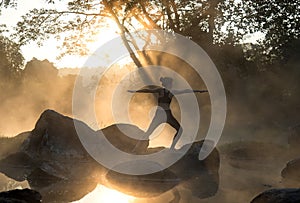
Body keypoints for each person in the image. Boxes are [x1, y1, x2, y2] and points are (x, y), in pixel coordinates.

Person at [128, 77, 208, 149]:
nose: (171, 85)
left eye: (171, 84)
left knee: (179, 130)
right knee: (149, 132)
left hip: (166, 114)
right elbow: (148, 90)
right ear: (168, 84)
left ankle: (172, 147)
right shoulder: (161, 90)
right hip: (161, 114)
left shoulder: (169, 92)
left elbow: (186, 91)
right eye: (170, 84)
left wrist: (199, 91)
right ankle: (136, 147)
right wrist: (134, 91)